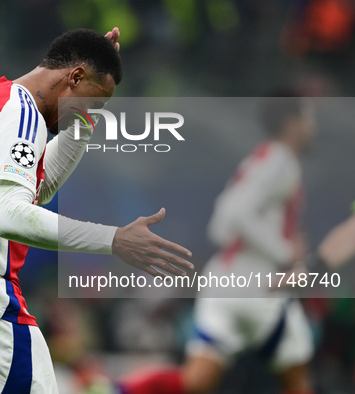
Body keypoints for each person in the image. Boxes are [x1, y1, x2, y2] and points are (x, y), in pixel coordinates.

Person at [0, 27, 193, 393]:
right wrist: (114, 240)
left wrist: (86, 116)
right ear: (75, 76)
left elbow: (38, 188)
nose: (88, 114)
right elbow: (12, 215)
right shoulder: (22, 116)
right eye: (92, 102)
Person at [122, 94, 316, 394]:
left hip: (224, 282)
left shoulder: (260, 158)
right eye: (307, 118)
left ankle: (119, 389)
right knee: (297, 379)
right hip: (258, 285)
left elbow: (221, 226)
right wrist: (285, 251)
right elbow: (233, 213)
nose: (311, 126)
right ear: (291, 123)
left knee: (196, 381)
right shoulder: (282, 162)